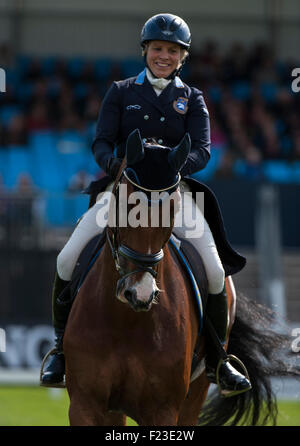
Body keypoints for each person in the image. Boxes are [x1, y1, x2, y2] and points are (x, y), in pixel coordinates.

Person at [40, 13, 251, 396]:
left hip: (172, 195)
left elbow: (203, 149)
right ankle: (59, 351)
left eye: (172, 51)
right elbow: (101, 141)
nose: (164, 56)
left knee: (217, 272)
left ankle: (219, 359)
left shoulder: (192, 98)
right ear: (145, 50)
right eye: (158, 48)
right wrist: (113, 166)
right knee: (66, 259)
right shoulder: (120, 91)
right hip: (124, 193)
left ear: (182, 57)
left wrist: (172, 169)